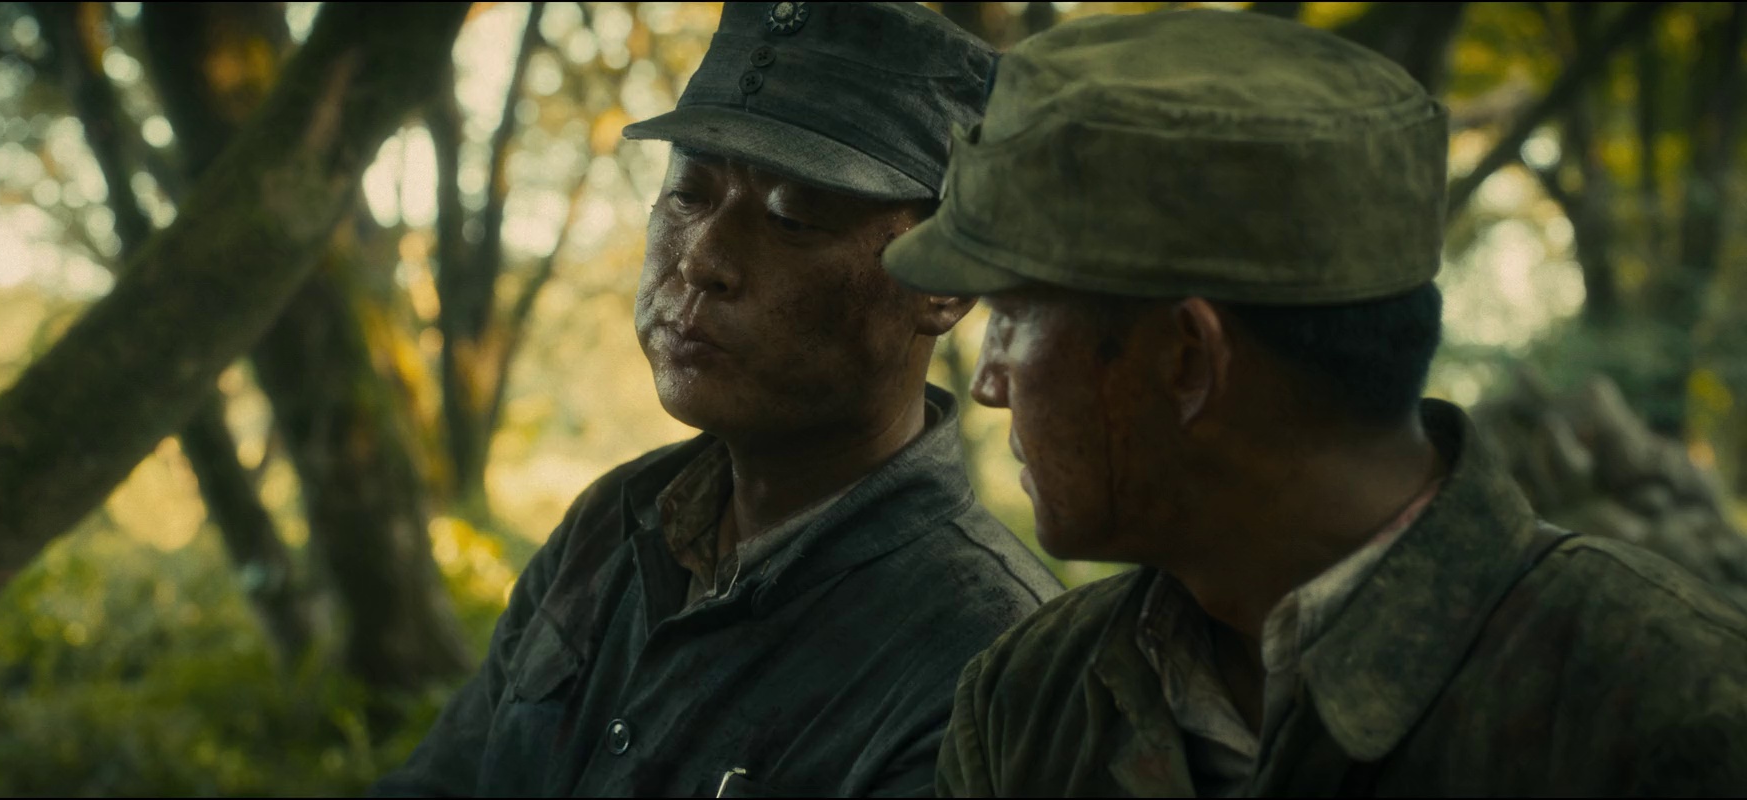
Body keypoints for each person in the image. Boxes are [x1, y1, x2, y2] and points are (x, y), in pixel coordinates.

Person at [882, 9, 1747, 797]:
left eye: (1015, 317)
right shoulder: (1030, 699)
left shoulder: (1673, 714)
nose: (988, 381)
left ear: (1188, 359)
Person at [371, 3, 1063, 797]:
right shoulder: (616, 524)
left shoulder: (991, 666)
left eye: (791, 218)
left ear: (942, 285)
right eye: (688, 195)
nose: (703, 260)